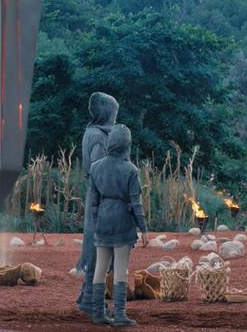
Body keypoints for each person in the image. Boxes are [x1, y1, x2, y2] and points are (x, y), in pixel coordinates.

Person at [86, 124, 148, 326]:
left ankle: (98, 313)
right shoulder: (131, 170)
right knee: (121, 269)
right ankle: (119, 315)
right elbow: (136, 203)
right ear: (126, 145)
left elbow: (93, 203)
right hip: (122, 220)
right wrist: (143, 229)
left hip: (103, 219)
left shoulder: (96, 168)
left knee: (100, 268)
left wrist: (96, 225)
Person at [76, 92, 119, 319]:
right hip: (102, 200)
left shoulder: (91, 132)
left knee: (97, 250)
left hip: (96, 197)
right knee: (102, 252)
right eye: (114, 113)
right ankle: (95, 305)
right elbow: (100, 169)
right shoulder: (100, 138)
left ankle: (87, 297)